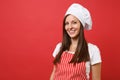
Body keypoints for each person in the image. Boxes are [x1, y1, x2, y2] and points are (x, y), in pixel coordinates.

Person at [50, 3, 102, 80]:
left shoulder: (92, 50)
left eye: (74, 22)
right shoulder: (59, 47)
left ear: (81, 25)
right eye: (67, 23)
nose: (70, 27)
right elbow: (54, 74)